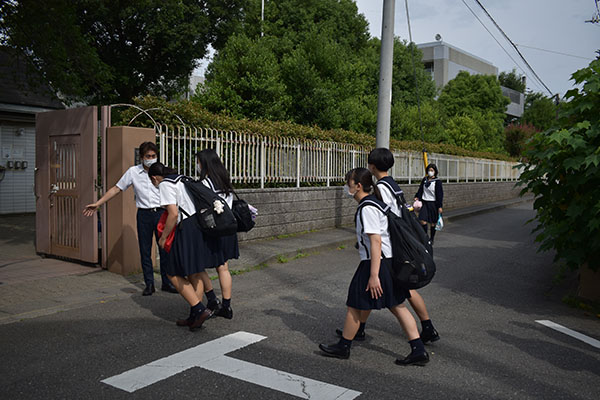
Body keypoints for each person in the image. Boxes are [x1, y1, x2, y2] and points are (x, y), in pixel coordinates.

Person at [319, 168, 429, 366]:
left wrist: (374, 275)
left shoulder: (368, 208)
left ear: (358, 186)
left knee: (355, 302)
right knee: (396, 305)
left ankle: (344, 346)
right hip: (387, 261)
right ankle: (418, 349)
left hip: (376, 263)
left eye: (348, 183)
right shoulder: (375, 203)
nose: (347, 186)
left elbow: (376, 242)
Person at [83, 142, 177, 296]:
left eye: (154, 156)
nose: (151, 159)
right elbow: (116, 188)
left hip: (161, 213)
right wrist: (98, 203)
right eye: (148, 156)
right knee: (145, 250)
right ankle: (149, 284)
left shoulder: (161, 170)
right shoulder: (133, 172)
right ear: (141, 157)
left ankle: (167, 282)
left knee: (164, 248)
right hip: (144, 214)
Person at [148, 162, 221, 331]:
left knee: (172, 273)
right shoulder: (182, 179)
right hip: (197, 226)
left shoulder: (165, 184)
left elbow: (173, 214)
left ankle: (199, 309)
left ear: (154, 178)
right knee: (194, 271)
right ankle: (194, 316)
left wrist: (163, 237)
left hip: (185, 229)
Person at [195, 149, 239, 320]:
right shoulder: (224, 179)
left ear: (204, 163)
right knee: (223, 268)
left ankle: (212, 299)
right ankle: (226, 307)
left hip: (213, 229)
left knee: (199, 266)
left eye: (198, 162)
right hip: (228, 228)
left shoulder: (205, 184)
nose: (197, 166)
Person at [414, 163, 444, 245]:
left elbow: (440, 194)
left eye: (432, 170)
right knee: (422, 220)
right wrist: (417, 196)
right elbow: (420, 189)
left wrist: (440, 206)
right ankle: (425, 237)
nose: (430, 172)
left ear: (435, 172)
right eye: (429, 170)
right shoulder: (425, 180)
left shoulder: (437, 182)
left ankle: (432, 238)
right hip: (424, 202)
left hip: (433, 204)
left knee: (433, 223)